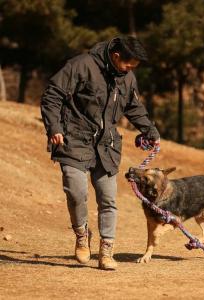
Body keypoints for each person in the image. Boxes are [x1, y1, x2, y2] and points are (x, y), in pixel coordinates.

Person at [40, 36, 160, 270]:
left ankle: (106, 251)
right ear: (116, 56)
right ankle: (82, 235)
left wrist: (150, 130)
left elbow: (133, 107)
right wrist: (54, 127)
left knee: (108, 198)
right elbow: (52, 94)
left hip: (106, 146)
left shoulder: (127, 77)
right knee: (76, 192)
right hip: (73, 139)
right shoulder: (82, 65)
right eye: (128, 65)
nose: (130, 70)